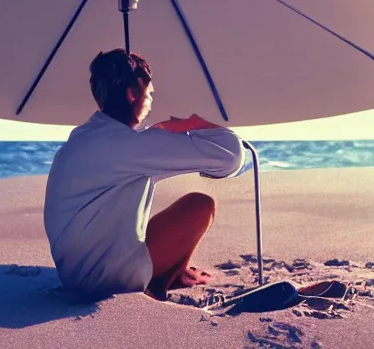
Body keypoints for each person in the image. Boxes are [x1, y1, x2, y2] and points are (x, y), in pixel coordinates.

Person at [44, 48, 246, 301]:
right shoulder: (128, 145)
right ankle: (161, 281)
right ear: (132, 95)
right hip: (107, 279)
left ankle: (173, 271)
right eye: (149, 94)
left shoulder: (80, 139)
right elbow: (231, 157)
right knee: (200, 205)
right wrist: (189, 124)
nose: (151, 102)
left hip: (73, 273)